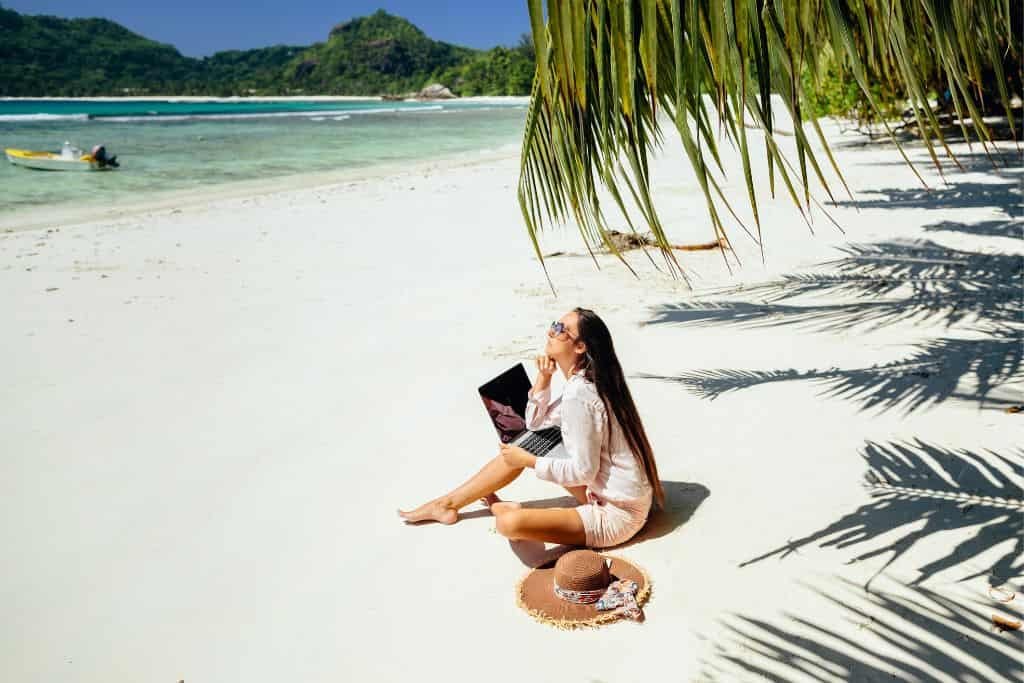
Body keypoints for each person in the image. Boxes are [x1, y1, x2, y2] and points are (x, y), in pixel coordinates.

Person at [398, 308, 664, 548]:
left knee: (509, 525)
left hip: (616, 515)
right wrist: (544, 377)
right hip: (611, 493)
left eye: (561, 330)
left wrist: (531, 462)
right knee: (523, 443)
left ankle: (502, 509)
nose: (551, 331)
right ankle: (445, 504)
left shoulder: (579, 395)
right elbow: (535, 424)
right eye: (554, 324)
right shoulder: (584, 382)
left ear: (581, 346)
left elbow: (584, 471)